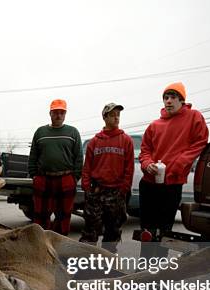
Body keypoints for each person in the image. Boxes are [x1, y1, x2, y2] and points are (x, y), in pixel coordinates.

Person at [138, 82, 208, 256]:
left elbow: (200, 142)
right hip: (149, 184)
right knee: (147, 229)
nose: (168, 101)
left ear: (182, 100)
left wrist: (178, 165)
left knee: (164, 230)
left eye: (173, 97)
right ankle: (144, 267)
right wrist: (148, 165)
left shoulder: (194, 117)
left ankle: (159, 271)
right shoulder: (154, 125)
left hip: (172, 184)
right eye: (166, 98)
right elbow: (145, 150)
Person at [79, 103, 134, 253]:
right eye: (112, 114)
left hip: (116, 193)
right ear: (104, 117)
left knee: (113, 231)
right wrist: (86, 186)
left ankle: (107, 262)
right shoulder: (94, 142)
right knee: (90, 230)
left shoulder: (126, 140)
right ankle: (85, 263)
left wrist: (124, 188)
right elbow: (87, 167)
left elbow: (129, 168)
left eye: (118, 115)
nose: (116, 117)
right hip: (96, 191)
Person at [28, 99, 83, 235]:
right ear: (50, 114)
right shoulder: (40, 132)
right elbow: (33, 156)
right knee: (40, 216)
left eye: (61, 113)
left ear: (65, 114)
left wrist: (74, 178)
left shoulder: (73, 132)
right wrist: (34, 175)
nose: (58, 115)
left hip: (65, 179)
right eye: (55, 112)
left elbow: (79, 157)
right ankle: (40, 246)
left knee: (63, 216)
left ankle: (60, 246)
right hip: (43, 179)